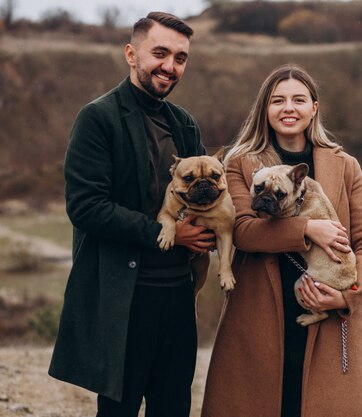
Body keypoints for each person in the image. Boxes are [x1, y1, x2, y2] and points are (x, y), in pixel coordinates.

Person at [48, 12, 214, 417]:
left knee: (173, 407)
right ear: (131, 53)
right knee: (119, 410)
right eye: (160, 53)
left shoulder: (183, 123)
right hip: (127, 297)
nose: (170, 66)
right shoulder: (98, 118)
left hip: (179, 295)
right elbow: (86, 207)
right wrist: (169, 233)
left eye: (180, 58)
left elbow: (205, 195)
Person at [201, 64, 362, 417]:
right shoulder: (240, 163)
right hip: (259, 316)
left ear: (314, 108)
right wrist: (307, 229)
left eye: (299, 99)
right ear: (264, 109)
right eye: (278, 100)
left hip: (329, 317)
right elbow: (241, 229)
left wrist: (348, 295)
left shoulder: (345, 165)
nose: (289, 108)